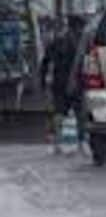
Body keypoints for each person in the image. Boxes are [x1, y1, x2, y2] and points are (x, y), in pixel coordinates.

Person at [41, 15, 85, 153]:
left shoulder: (57, 41)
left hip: (59, 82)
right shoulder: (80, 43)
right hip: (76, 82)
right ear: (77, 27)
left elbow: (45, 62)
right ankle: (80, 145)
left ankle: (57, 145)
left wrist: (42, 80)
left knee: (59, 112)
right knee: (79, 113)